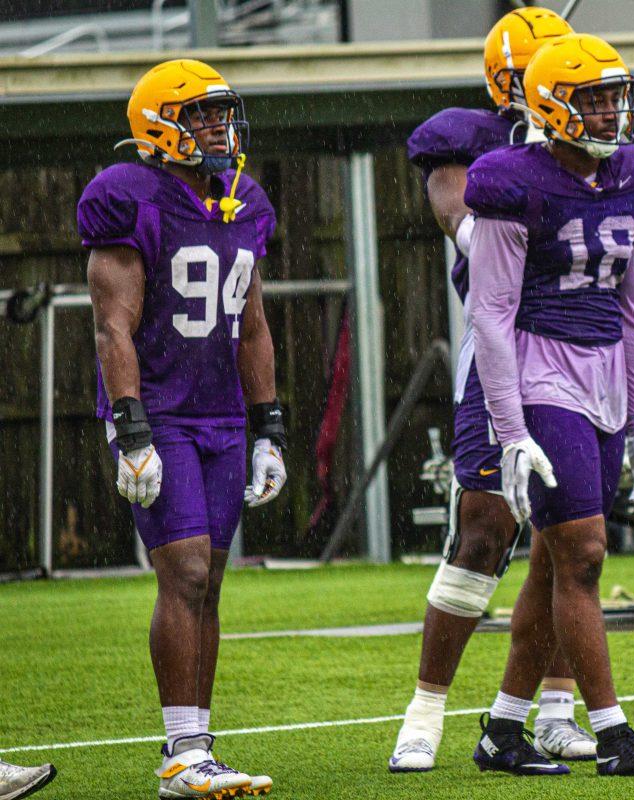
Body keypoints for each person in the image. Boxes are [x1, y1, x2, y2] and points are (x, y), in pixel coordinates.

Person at [389, 7, 598, 773]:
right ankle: (425, 711)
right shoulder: (474, 141)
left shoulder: (603, 151)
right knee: (484, 529)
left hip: (584, 354)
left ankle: (548, 710)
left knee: (568, 541)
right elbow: (461, 220)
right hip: (505, 354)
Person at [465, 33, 634, 776]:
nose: (612, 110)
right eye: (594, 97)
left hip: (609, 374)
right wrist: (511, 429)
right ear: (551, 105)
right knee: (583, 553)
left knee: (554, 564)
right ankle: (614, 732)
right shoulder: (511, 179)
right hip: (540, 371)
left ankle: (503, 731)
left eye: (617, 94)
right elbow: (488, 313)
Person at [80, 59, 284, 797]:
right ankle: (180, 750)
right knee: (187, 571)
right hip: (159, 412)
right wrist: (131, 429)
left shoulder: (245, 200)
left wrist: (270, 426)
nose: (218, 129)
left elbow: (253, 324)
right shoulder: (129, 196)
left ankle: (196, 747)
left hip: (223, 414)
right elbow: (113, 326)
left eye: (221, 113)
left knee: (212, 581)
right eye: (200, 115)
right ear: (159, 124)